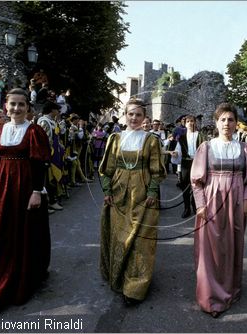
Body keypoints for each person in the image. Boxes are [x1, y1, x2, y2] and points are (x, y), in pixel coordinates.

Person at [0, 88, 51, 317]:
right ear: (5, 106)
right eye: (12, 104)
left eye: (21, 104)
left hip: (25, 188)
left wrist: (37, 191)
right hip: (0, 189)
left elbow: (39, 164)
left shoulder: (35, 131)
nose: (16, 109)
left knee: (24, 232)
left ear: (28, 108)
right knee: (0, 233)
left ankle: (22, 280)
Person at [190, 102, 247, 318]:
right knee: (210, 249)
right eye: (222, 119)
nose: (227, 124)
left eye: (231, 120)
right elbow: (196, 181)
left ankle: (229, 289)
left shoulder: (243, 148)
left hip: (237, 204)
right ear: (216, 122)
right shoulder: (207, 147)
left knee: (231, 247)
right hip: (211, 202)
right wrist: (200, 204)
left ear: (236, 124)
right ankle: (210, 296)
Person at [99, 98, 166, 305]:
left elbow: (157, 171)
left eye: (138, 115)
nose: (134, 118)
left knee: (140, 241)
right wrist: (107, 190)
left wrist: (153, 192)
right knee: (119, 237)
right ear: (125, 115)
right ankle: (118, 277)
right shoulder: (115, 139)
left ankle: (135, 287)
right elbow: (106, 169)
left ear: (144, 117)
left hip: (143, 194)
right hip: (118, 194)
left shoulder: (151, 140)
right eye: (131, 114)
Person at [174, 115, 205, 218]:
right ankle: (186, 208)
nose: (190, 123)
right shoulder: (181, 137)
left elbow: (204, 149)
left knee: (197, 185)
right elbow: (178, 150)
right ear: (185, 123)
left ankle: (195, 205)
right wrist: (175, 154)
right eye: (188, 121)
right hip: (185, 163)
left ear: (195, 122)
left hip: (197, 163)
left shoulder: (200, 135)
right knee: (185, 186)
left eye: (192, 121)